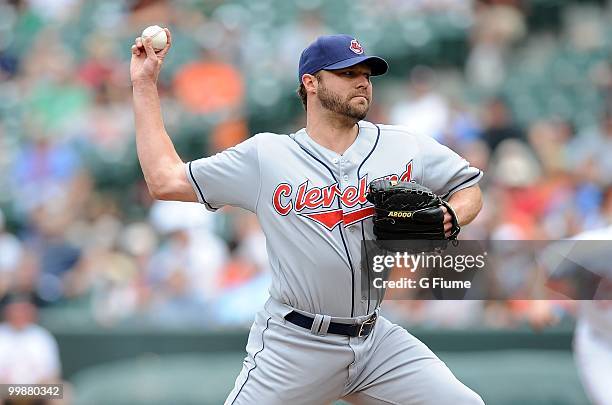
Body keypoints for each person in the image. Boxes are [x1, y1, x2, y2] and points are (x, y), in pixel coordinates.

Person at [131, 30, 484, 404]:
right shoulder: (267, 156)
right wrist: (144, 83)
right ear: (311, 83)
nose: (363, 81)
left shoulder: (403, 144)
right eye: (348, 74)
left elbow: (470, 188)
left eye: (366, 74)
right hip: (296, 345)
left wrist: (451, 214)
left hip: (375, 341)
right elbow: (164, 179)